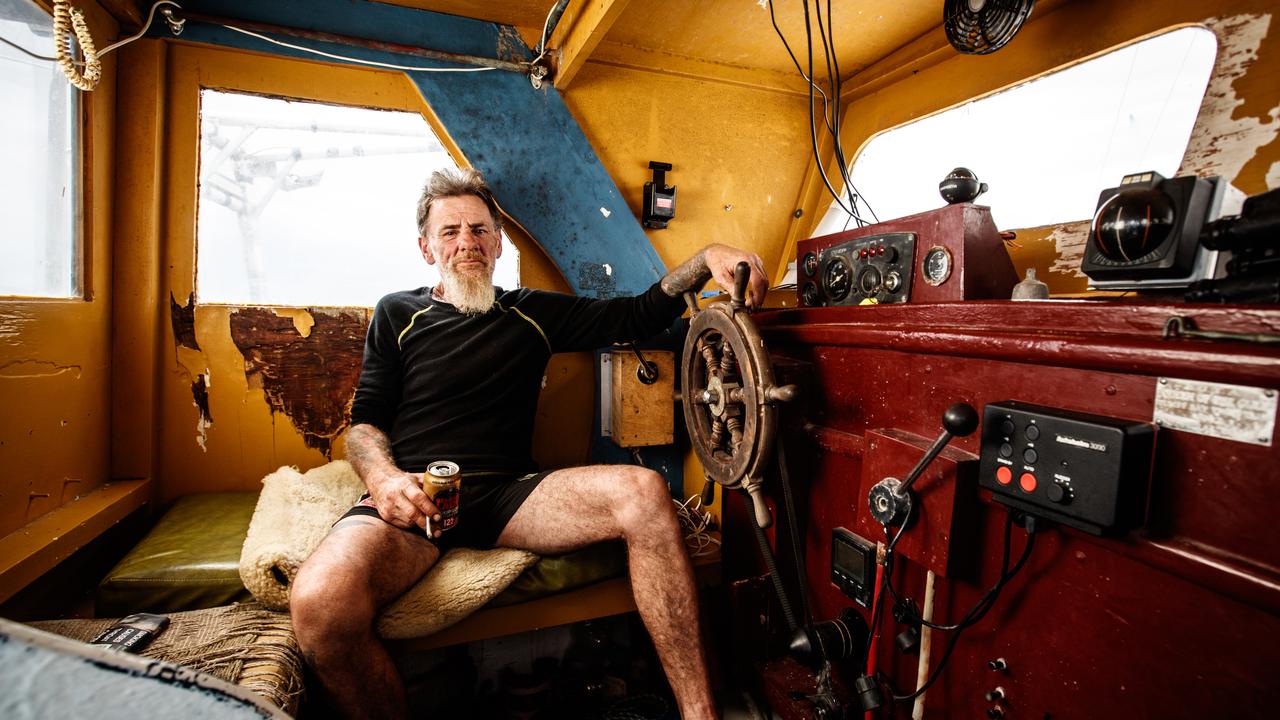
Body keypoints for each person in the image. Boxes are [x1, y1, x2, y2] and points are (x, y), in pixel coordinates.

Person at [290, 167, 768, 719]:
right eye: (450, 232)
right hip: (415, 498)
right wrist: (383, 480)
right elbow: (365, 424)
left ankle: (700, 714)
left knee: (642, 491)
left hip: (509, 496)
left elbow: (637, 313)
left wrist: (706, 255)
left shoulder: (532, 313)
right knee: (319, 605)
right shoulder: (397, 312)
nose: (465, 242)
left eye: (478, 230)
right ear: (426, 248)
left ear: (497, 243)